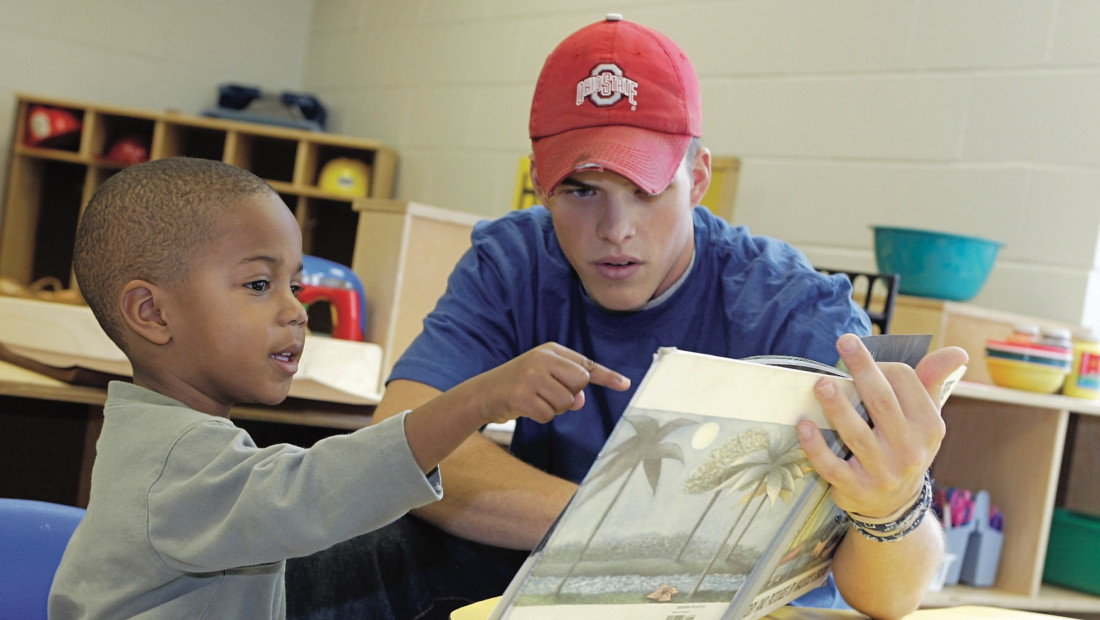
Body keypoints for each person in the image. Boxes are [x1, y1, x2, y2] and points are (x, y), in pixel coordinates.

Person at [285, 15, 968, 620]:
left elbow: (891, 596)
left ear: (697, 178)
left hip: (751, 610)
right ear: (539, 180)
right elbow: (399, 441)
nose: (615, 229)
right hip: (561, 569)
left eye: (645, 191)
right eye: (581, 190)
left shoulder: (798, 307)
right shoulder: (515, 259)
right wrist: (639, 539)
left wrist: (891, 506)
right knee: (340, 555)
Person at [47, 156, 629, 619]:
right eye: (258, 284)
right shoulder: (176, 464)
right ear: (151, 312)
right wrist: (477, 399)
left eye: (295, 286)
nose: (296, 311)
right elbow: (314, 492)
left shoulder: (167, 439)